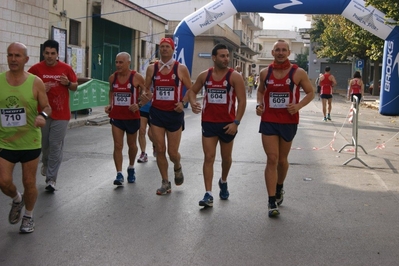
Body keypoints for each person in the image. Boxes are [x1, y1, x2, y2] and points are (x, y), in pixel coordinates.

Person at [256, 40, 314, 217]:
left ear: (289, 53)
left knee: (282, 160)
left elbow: (311, 92)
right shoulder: (265, 72)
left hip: (289, 121)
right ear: (272, 52)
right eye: (277, 50)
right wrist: (260, 104)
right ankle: (271, 200)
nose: (280, 53)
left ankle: (279, 186)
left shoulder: (298, 72)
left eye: (283, 50)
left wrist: (298, 106)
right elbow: (260, 91)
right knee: (272, 159)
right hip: (269, 120)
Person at [0, 42, 52, 233]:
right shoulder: (0, 81)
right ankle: (17, 199)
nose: (13, 59)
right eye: (10, 55)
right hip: (5, 141)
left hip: (30, 141)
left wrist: (42, 116)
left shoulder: (35, 82)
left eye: (17, 56)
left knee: (29, 182)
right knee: (3, 181)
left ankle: (28, 216)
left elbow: (47, 107)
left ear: (26, 59)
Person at [188, 43, 246, 207]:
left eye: (227, 56)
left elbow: (242, 101)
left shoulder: (234, 77)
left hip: (228, 124)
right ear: (214, 58)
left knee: (226, 159)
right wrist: (193, 103)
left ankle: (224, 180)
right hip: (209, 122)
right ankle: (208, 194)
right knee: (209, 157)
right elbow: (192, 91)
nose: (226, 59)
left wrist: (236, 122)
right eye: (222, 56)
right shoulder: (204, 76)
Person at [28, 40, 77, 192]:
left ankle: (51, 179)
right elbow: (27, 86)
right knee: (45, 145)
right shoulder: (35, 69)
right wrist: (40, 88)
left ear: (57, 54)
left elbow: (75, 86)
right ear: (43, 53)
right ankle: (46, 162)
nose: (50, 56)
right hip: (42, 113)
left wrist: (67, 83)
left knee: (56, 145)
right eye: (47, 53)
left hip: (61, 114)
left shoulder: (66, 68)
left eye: (53, 53)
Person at [144, 37, 192, 195]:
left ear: (172, 50)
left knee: (172, 152)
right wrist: (147, 95)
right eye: (162, 46)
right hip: (157, 112)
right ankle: (165, 182)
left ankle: (177, 166)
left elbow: (191, 89)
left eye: (167, 47)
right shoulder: (152, 69)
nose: (164, 49)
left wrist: (183, 102)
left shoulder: (180, 68)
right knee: (160, 148)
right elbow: (147, 89)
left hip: (174, 114)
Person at [105, 52, 147, 185]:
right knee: (118, 145)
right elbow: (111, 91)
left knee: (132, 145)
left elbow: (147, 93)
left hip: (131, 117)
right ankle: (119, 173)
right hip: (117, 117)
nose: (118, 65)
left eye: (121, 62)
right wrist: (110, 104)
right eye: (116, 62)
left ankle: (131, 167)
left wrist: (139, 104)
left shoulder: (136, 77)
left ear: (128, 63)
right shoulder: (113, 78)